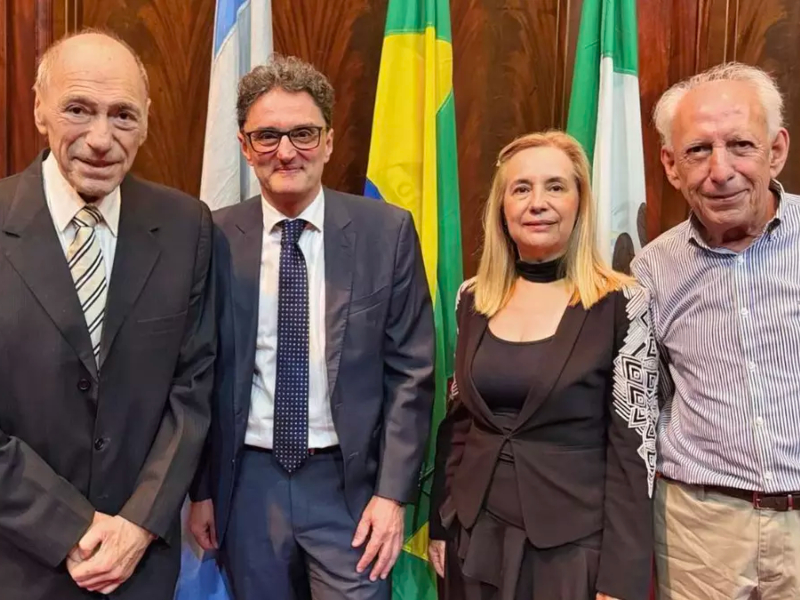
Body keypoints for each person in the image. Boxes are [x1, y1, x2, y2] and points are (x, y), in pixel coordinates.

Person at [188, 55, 435, 600]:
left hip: (351, 488)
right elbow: (198, 373)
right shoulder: (212, 237)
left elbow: (412, 375)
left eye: (302, 133)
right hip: (248, 486)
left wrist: (392, 495)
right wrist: (201, 490)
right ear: (245, 145)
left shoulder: (386, 232)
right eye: (267, 136)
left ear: (328, 141)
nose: (286, 151)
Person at [0, 31, 215, 600]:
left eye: (122, 115)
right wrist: (68, 527)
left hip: (140, 562)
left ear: (146, 122)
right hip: (17, 561)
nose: (101, 139)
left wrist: (139, 523)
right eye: (78, 109)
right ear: (39, 109)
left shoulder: (187, 226)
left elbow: (193, 387)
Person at [428, 131, 658, 600]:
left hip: (570, 551)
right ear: (502, 208)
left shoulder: (622, 303)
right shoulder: (473, 298)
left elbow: (634, 448)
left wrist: (623, 578)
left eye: (555, 187)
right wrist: (439, 520)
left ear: (580, 202)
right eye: (521, 188)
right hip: (473, 537)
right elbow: (459, 422)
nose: (538, 203)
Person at [632, 62, 797, 599]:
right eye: (698, 150)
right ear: (671, 165)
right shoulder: (652, 270)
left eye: (741, 145)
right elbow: (645, 402)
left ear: (776, 150)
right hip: (699, 532)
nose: (720, 171)